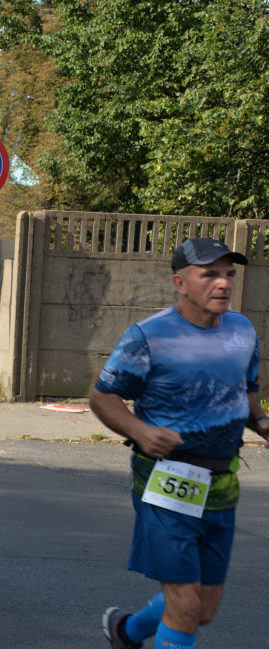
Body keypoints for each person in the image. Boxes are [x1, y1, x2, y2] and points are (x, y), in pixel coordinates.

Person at [90, 237, 269, 649]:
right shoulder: (149, 336)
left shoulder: (242, 330)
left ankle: (126, 631)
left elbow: (245, 389)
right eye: (210, 274)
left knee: (202, 609)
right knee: (185, 605)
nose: (223, 283)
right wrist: (139, 431)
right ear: (181, 282)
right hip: (165, 477)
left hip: (221, 480)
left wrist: (260, 419)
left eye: (228, 274)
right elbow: (102, 396)